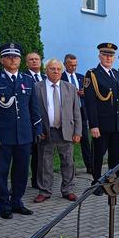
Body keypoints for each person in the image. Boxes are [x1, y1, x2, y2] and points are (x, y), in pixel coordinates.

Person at [0, 42, 42, 219]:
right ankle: (3, 205)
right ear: (2, 60)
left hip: (24, 135)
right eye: (8, 56)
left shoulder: (28, 80)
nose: (13, 59)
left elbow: (34, 108)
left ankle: (17, 201)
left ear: (20, 59)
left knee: (22, 170)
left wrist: (37, 129)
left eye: (15, 56)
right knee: (2, 171)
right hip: (3, 135)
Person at [83, 42, 119, 195]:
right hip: (102, 125)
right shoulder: (93, 74)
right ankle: (97, 183)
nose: (108, 58)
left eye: (111, 55)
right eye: (105, 55)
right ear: (100, 56)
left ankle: (114, 182)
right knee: (98, 155)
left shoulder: (116, 74)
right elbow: (90, 103)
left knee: (116, 155)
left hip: (117, 124)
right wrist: (93, 125)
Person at [34, 59, 82, 203]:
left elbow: (76, 111)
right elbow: (34, 111)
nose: (56, 72)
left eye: (58, 69)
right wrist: (37, 130)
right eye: (52, 69)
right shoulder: (37, 87)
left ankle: (68, 190)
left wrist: (78, 132)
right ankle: (45, 191)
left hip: (66, 130)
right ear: (46, 70)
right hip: (46, 131)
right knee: (45, 163)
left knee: (68, 162)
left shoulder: (70, 87)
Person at [61, 53, 92, 173]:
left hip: (81, 113)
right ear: (65, 65)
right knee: (68, 142)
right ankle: (70, 167)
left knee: (85, 140)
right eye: (70, 65)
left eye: (75, 65)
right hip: (67, 114)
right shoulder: (61, 77)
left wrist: (85, 93)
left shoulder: (81, 77)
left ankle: (89, 165)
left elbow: (89, 94)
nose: (73, 67)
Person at [23, 51, 44, 189]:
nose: (34, 61)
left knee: (39, 154)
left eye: (37, 59)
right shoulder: (23, 78)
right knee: (24, 155)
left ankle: (36, 180)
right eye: (31, 59)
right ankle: (20, 182)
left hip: (42, 122)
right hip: (27, 123)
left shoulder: (45, 78)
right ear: (26, 63)